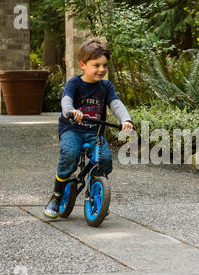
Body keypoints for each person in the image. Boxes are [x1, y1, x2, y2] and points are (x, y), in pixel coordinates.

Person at [44, 39, 133, 219]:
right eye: (96, 65)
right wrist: (70, 111)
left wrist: (126, 119)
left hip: (95, 132)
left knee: (105, 160)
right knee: (69, 154)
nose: (101, 69)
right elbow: (66, 100)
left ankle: (97, 193)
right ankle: (56, 195)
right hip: (72, 129)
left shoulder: (106, 87)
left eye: (104, 65)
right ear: (82, 65)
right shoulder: (74, 83)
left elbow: (116, 104)